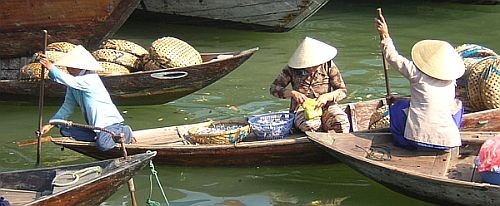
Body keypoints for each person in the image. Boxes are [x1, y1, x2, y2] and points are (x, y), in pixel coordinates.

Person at [375, 9, 465, 150]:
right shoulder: (451, 81)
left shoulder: (416, 73)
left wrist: (385, 35)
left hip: (416, 141)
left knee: (396, 108)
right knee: (457, 105)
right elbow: (428, 99)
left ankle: (400, 142)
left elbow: (392, 57)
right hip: (448, 142)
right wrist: (400, 98)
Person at [39, 45, 135, 151]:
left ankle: (125, 132)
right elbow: (67, 107)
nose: (68, 69)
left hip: (110, 125)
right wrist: (51, 124)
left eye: (70, 66)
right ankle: (99, 137)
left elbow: (67, 79)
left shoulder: (90, 79)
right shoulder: (73, 86)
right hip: (95, 127)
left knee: (103, 145)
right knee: (64, 130)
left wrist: (50, 67)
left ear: (79, 66)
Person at [270, 37, 350, 133]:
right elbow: (274, 88)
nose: (311, 68)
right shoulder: (291, 69)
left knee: (341, 123)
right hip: (301, 109)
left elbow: (342, 91)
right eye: (308, 66)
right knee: (311, 126)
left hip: (326, 106)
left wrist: (327, 97)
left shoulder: (328, 65)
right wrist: (293, 93)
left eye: (314, 65)